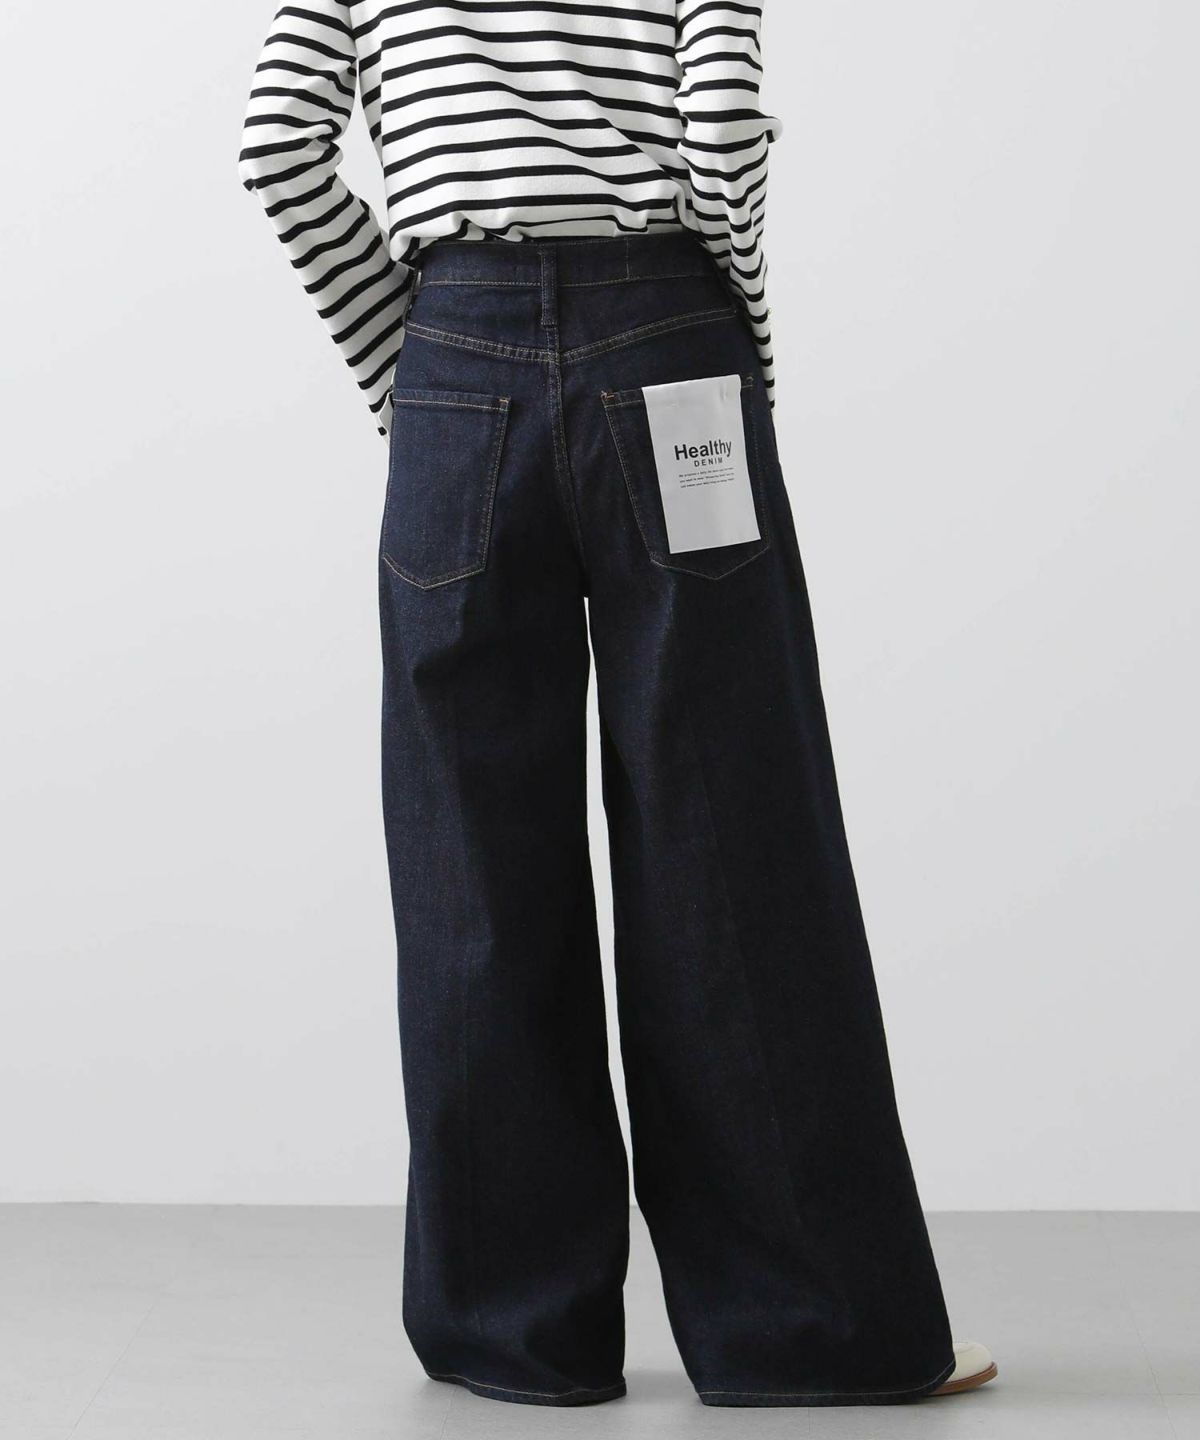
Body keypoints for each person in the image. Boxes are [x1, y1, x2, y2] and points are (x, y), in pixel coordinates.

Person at [238, 0, 996, 1410]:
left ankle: (511, 1332)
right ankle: (808, 1329)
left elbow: (278, 148)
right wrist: (736, 333)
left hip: (452, 359)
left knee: (471, 860)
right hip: (668, 340)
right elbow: (721, 130)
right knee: (730, 838)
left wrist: (411, 372)